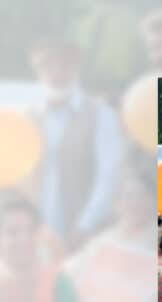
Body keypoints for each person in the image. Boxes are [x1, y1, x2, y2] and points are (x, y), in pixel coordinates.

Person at [26, 37, 122, 252]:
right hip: (38, 234)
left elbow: (109, 176)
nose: (56, 73)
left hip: (86, 233)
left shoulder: (101, 115)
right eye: (47, 66)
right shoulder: (29, 117)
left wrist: (85, 226)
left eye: (63, 65)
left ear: (75, 67)